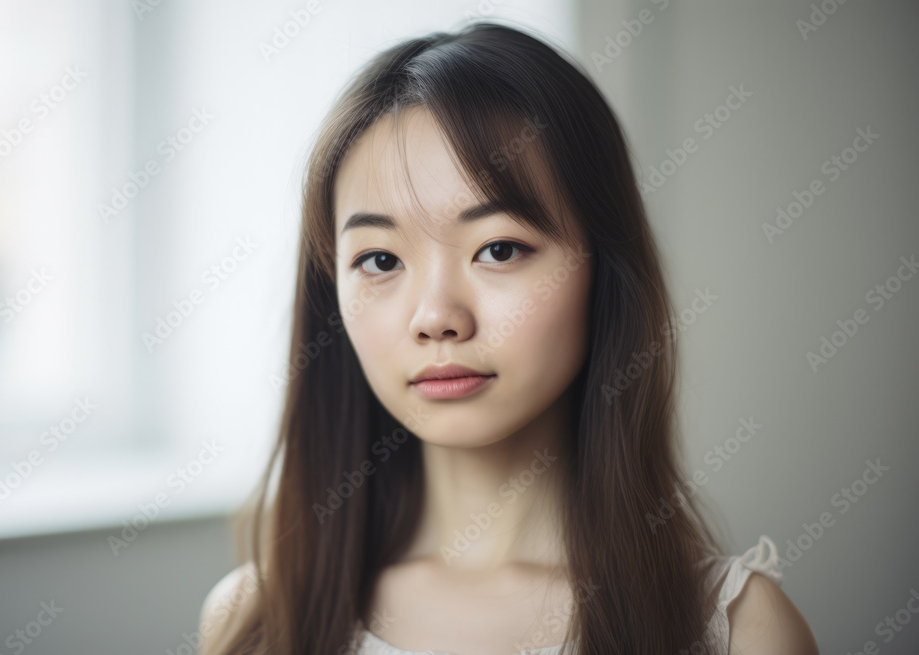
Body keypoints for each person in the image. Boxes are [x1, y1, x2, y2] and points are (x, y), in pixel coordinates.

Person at [197, 21, 819, 655]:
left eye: (498, 249)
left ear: (602, 270)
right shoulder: (255, 619)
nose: (436, 316)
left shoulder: (737, 630)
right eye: (381, 261)